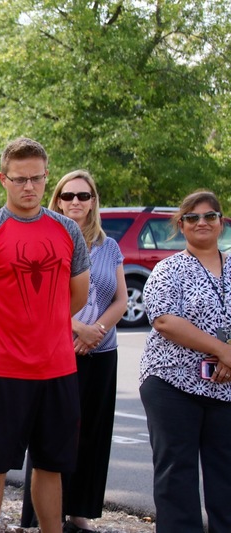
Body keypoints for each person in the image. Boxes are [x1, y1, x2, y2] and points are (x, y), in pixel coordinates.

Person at [0, 138, 90, 533]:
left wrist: (45, 329)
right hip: (6, 371)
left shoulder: (67, 230)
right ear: (3, 179)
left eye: (37, 178)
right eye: (20, 179)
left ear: (47, 177)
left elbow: (77, 295)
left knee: (51, 465)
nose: (29, 187)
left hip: (59, 369)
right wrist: (1, 336)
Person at [21, 170, 128, 532]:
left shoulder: (108, 246)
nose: (76, 203)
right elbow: (35, 300)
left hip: (101, 353)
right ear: (58, 200)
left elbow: (121, 298)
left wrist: (96, 331)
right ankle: (42, 516)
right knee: (50, 434)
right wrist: (76, 328)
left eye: (84, 196)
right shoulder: (46, 240)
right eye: (68, 196)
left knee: (91, 434)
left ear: (94, 200)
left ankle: (79, 512)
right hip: (57, 352)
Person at [139, 189, 231, 532]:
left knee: (226, 475)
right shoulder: (169, 269)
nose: (202, 222)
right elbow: (164, 320)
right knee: (177, 475)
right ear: (182, 225)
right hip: (172, 384)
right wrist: (223, 351)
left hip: (226, 386)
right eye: (193, 217)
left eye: (210, 216)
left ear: (221, 222)